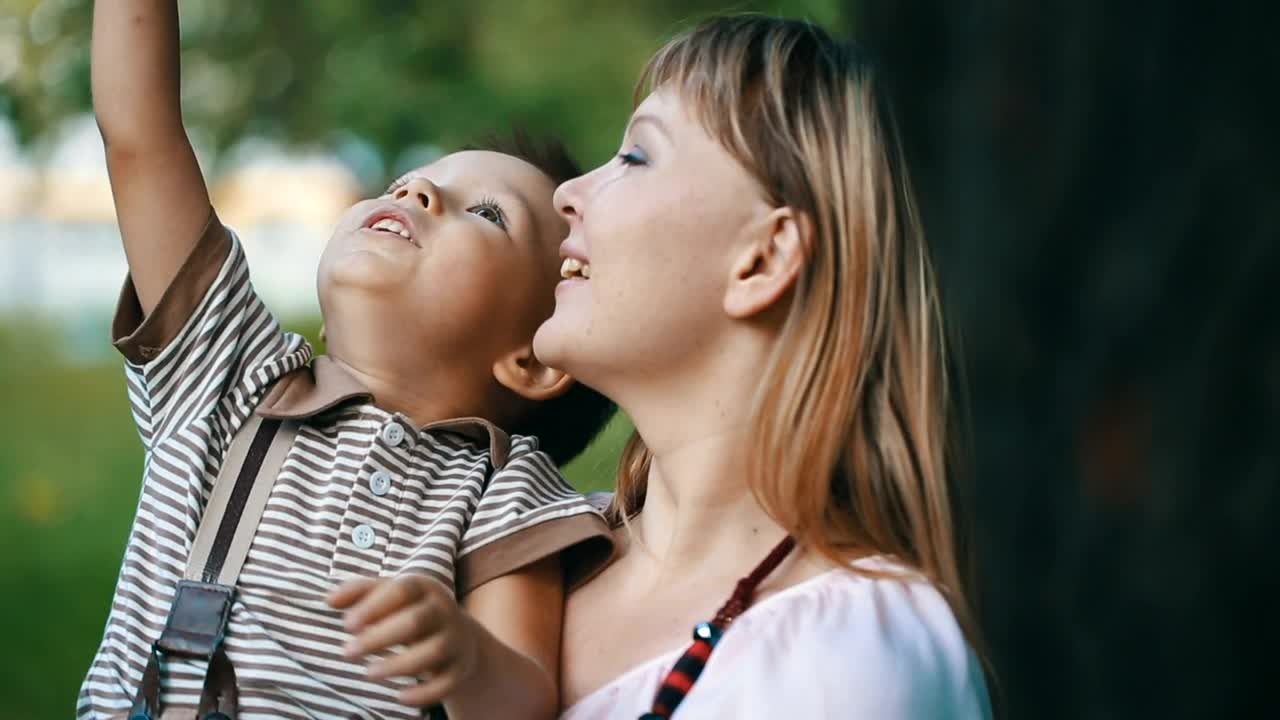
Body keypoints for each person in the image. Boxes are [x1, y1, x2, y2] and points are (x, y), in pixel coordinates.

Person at [78, 1, 614, 718]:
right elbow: (139, 134)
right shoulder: (228, 372)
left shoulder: (504, 491)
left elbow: (524, 699)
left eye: (486, 213)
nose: (418, 190)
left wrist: (470, 655)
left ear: (534, 361)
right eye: (408, 183)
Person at [534, 15, 994, 718]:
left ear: (765, 258)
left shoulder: (853, 661)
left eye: (635, 157)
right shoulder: (521, 555)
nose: (567, 194)